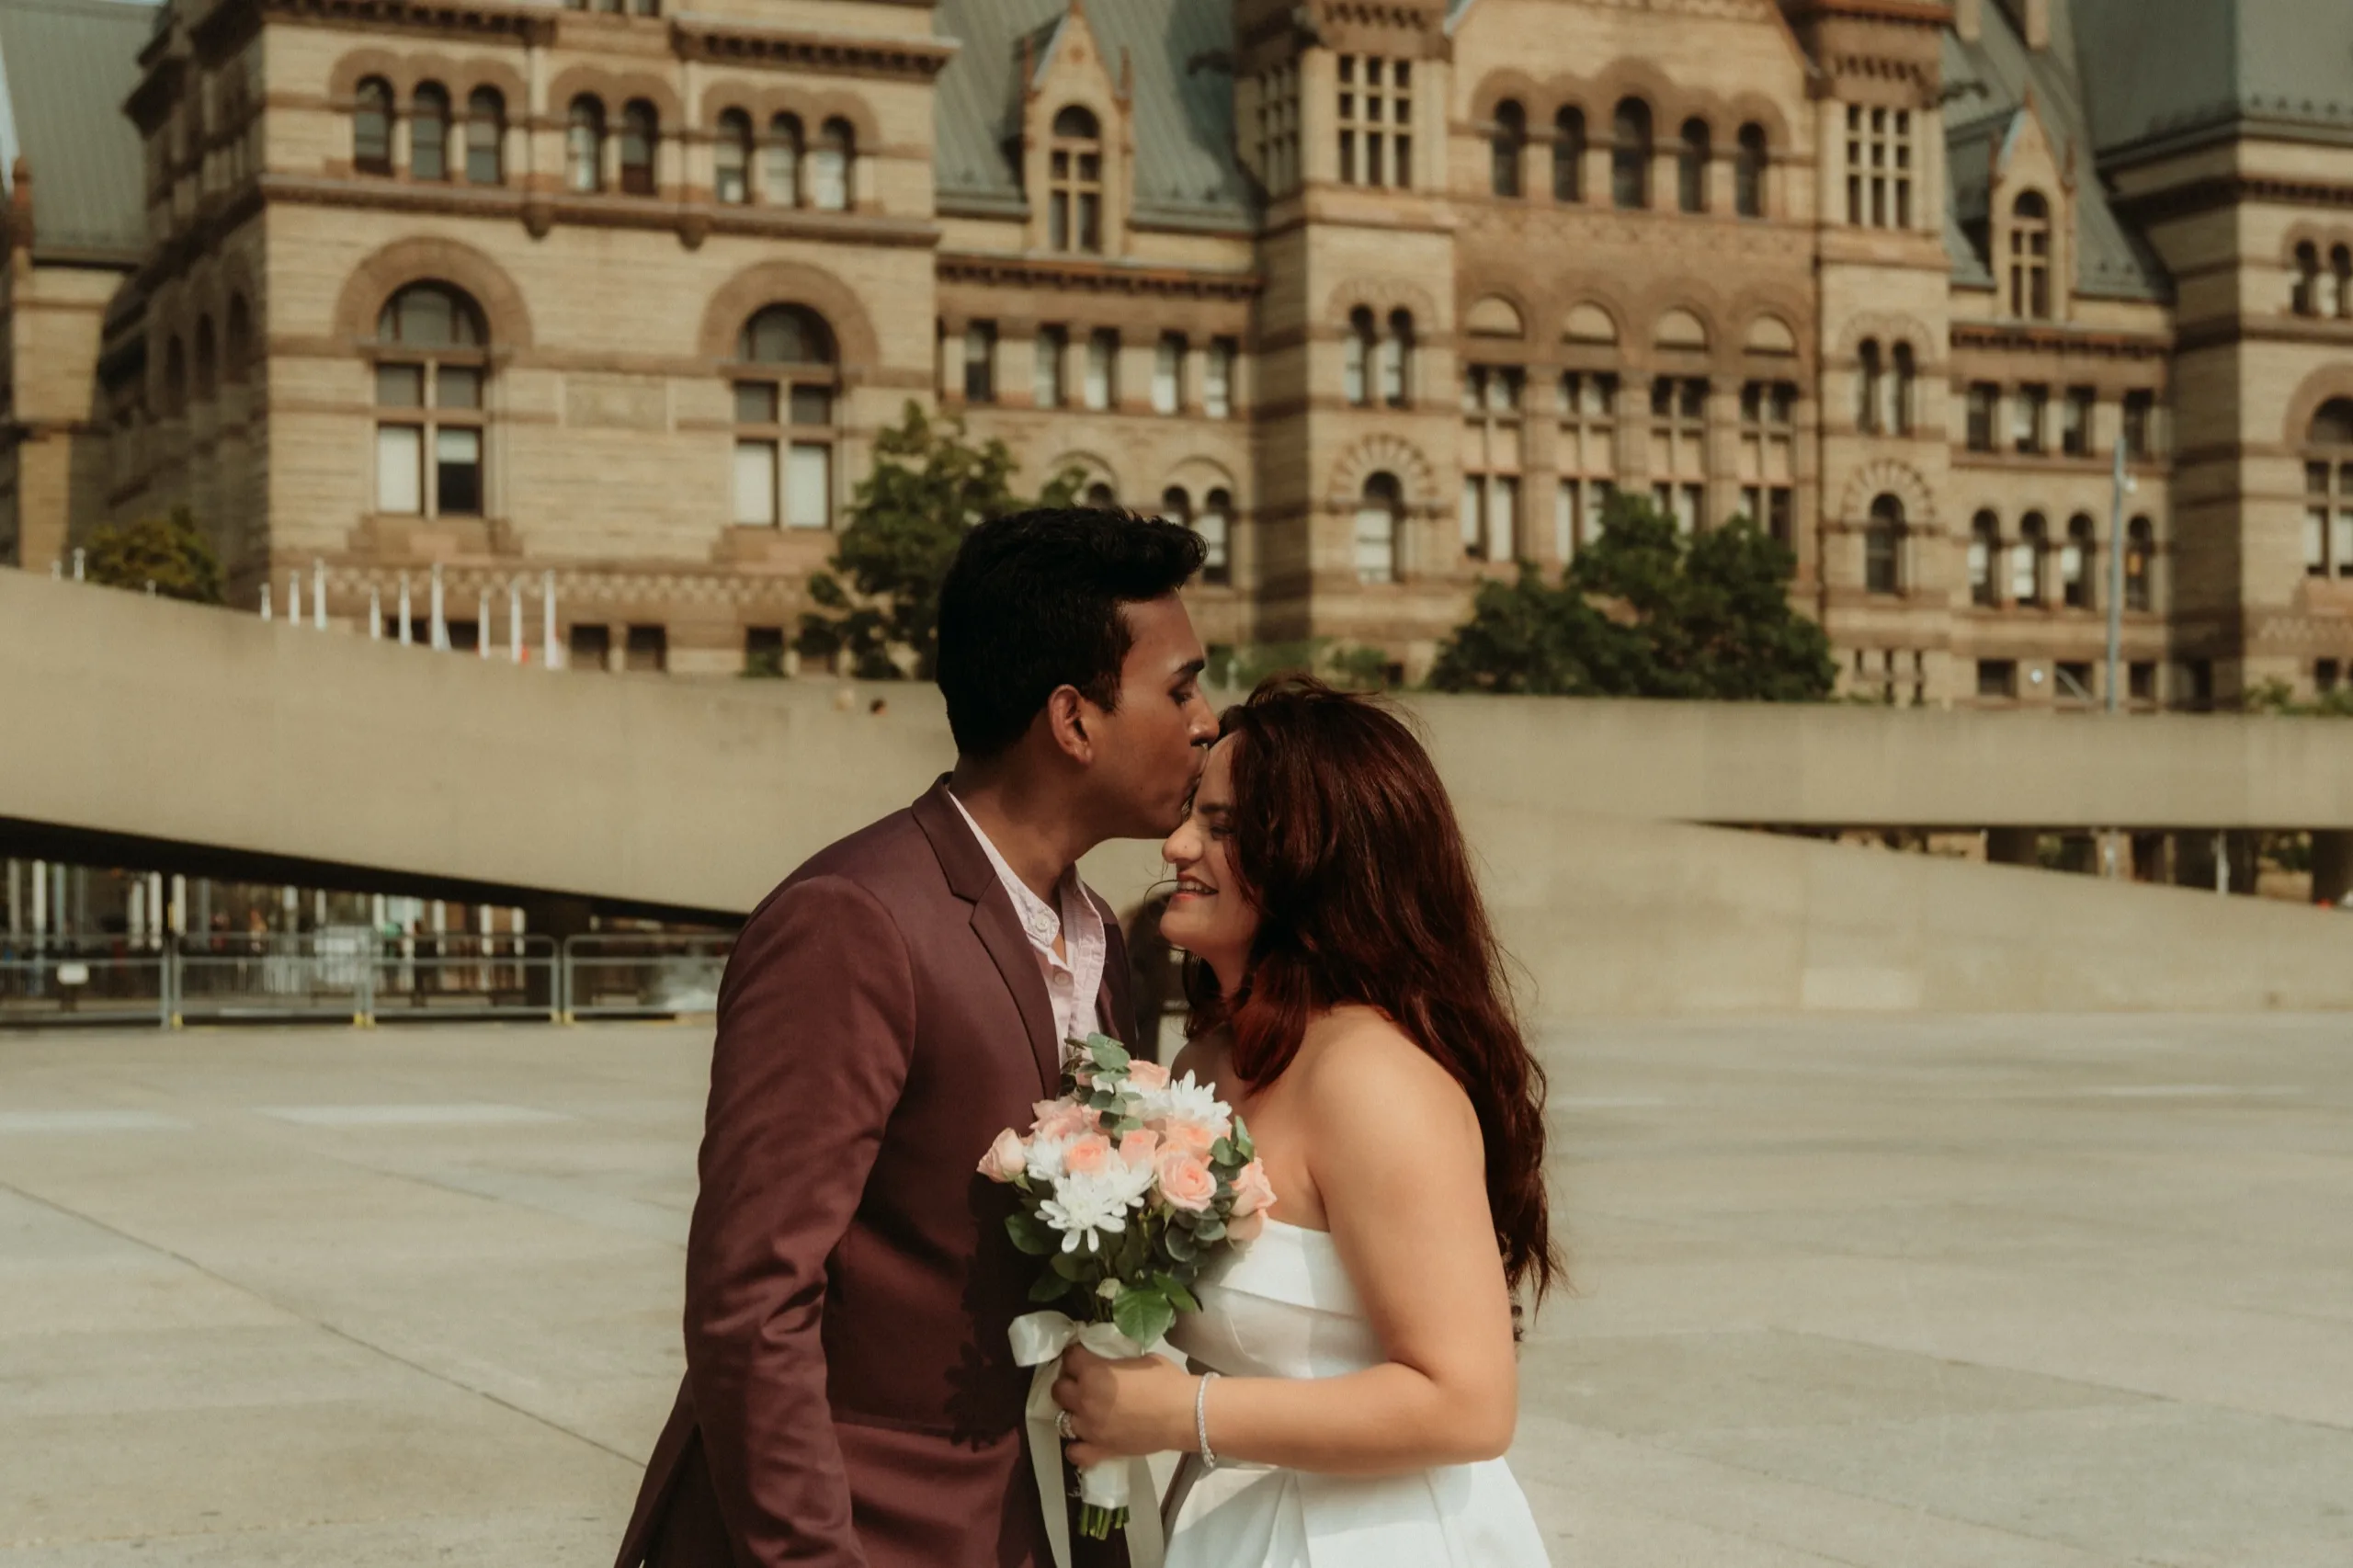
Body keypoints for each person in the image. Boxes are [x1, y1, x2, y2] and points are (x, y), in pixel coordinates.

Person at [613, 508, 1220, 1568]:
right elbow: (752, 1299)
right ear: (1072, 719)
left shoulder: (1108, 941)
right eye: (1180, 688)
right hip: (861, 1525)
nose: (1206, 720)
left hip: (1040, 1519)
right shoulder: (853, 920)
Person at [1050, 678, 1557, 1567]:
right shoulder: (1202, 1065)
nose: (1176, 846)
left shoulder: (1372, 1080)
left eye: (1226, 827)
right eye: (1190, 815)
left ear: (1321, 859)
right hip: (1229, 1524)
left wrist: (1181, 1414)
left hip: (1375, 1538)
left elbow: (1470, 1404)